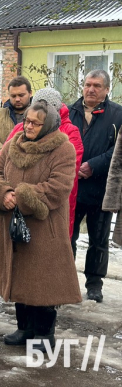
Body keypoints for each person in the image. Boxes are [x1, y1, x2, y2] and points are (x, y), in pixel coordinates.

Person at [0, 101, 81, 352]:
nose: (28, 126)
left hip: (44, 229)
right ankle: (24, 328)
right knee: (18, 277)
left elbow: (58, 188)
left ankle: (44, 334)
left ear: (47, 124)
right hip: (12, 226)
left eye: (35, 123)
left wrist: (21, 197)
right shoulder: (13, 144)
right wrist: (2, 193)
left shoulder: (63, 149)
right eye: (26, 121)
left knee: (43, 283)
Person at [68, 69, 122, 302]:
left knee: (98, 240)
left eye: (97, 86)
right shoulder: (70, 112)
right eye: (88, 84)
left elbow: (119, 151)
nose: (91, 89)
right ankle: (66, 280)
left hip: (100, 188)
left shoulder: (118, 114)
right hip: (71, 188)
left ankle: (94, 284)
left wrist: (93, 165)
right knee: (66, 238)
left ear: (107, 89)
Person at [3, 88, 83, 239]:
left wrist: (28, 182)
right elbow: (3, 159)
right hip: (15, 202)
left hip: (51, 199)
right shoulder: (21, 128)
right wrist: (6, 191)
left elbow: (69, 168)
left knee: (54, 240)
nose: (30, 126)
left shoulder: (69, 131)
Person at [0, 76, 32, 164]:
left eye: (21, 95)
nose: (17, 99)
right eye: (13, 96)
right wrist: (7, 157)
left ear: (30, 93)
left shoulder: (39, 117)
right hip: (2, 168)